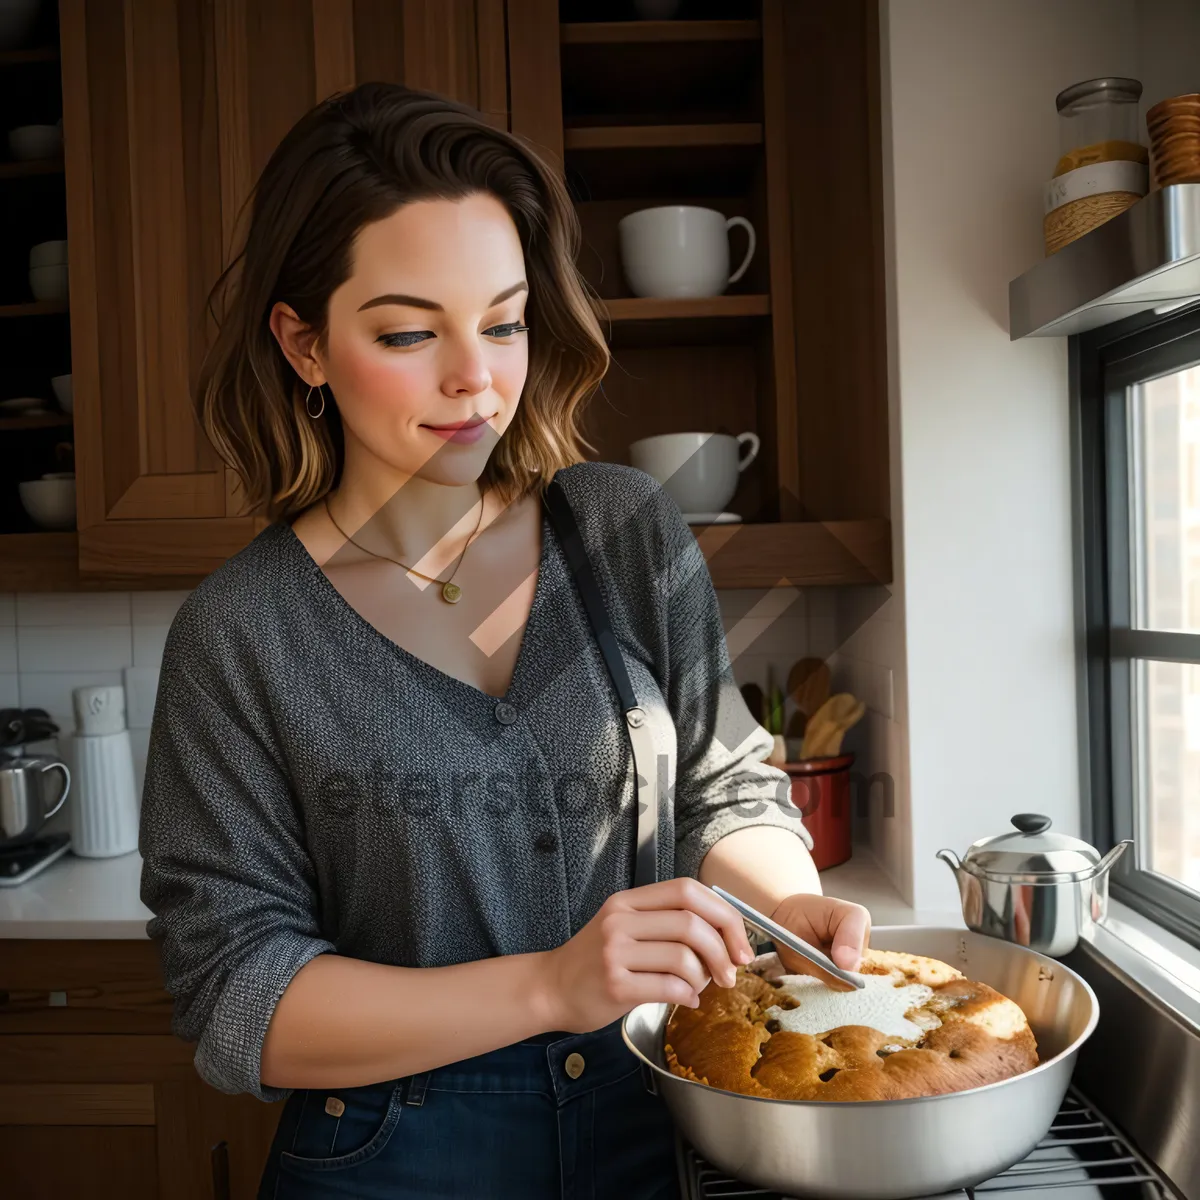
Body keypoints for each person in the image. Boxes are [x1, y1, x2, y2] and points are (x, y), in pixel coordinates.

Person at [138, 82, 871, 1200]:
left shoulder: (624, 529)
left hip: (655, 1113)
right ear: (303, 343)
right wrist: (551, 987)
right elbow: (241, 992)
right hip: (389, 1153)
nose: (475, 378)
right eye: (406, 332)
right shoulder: (242, 632)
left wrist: (783, 899)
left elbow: (727, 792)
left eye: (504, 320)